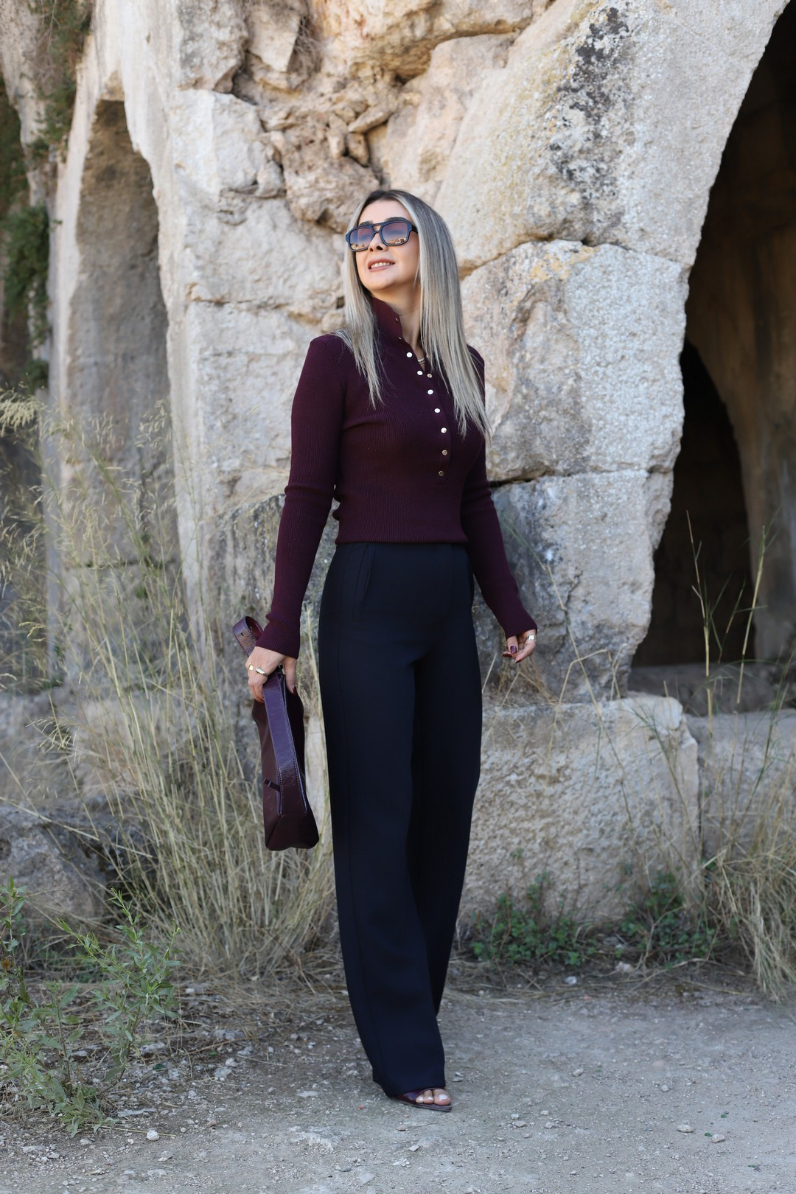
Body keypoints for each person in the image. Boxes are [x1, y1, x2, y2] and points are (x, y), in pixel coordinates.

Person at [244, 187, 537, 1112]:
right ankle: (406, 1051)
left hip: (447, 606)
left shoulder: (463, 365)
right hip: (367, 601)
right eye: (361, 233)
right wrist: (280, 632)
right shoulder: (336, 357)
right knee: (380, 817)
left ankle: (414, 1004)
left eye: (391, 230)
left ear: (427, 246)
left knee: (446, 807)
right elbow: (305, 496)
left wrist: (508, 606)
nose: (372, 243)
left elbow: (474, 499)